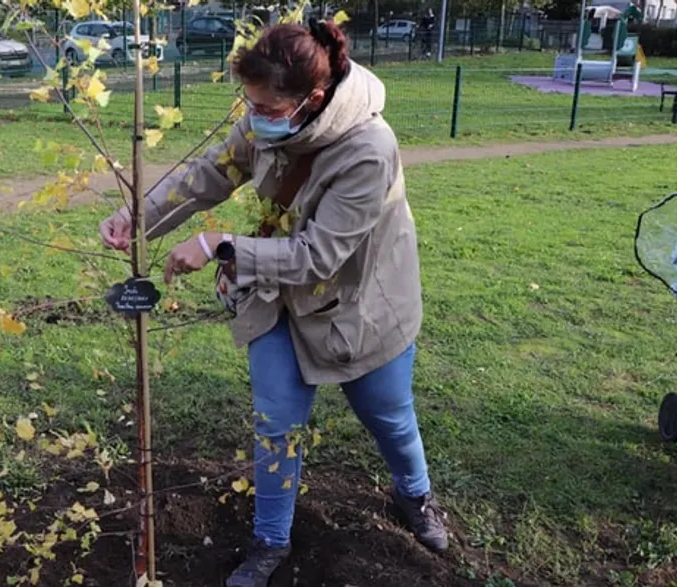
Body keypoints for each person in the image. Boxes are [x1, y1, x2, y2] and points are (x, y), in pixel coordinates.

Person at [98, 22, 447, 587]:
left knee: (389, 416)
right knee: (275, 424)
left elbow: (320, 255)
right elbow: (214, 171)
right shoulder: (272, 117)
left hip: (360, 307)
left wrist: (218, 246)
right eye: (250, 103)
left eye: (265, 105)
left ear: (311, 99)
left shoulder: (368, 150)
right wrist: (140, 218)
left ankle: (416, 497)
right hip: (277, 293)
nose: (253, 115)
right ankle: (271, 540)